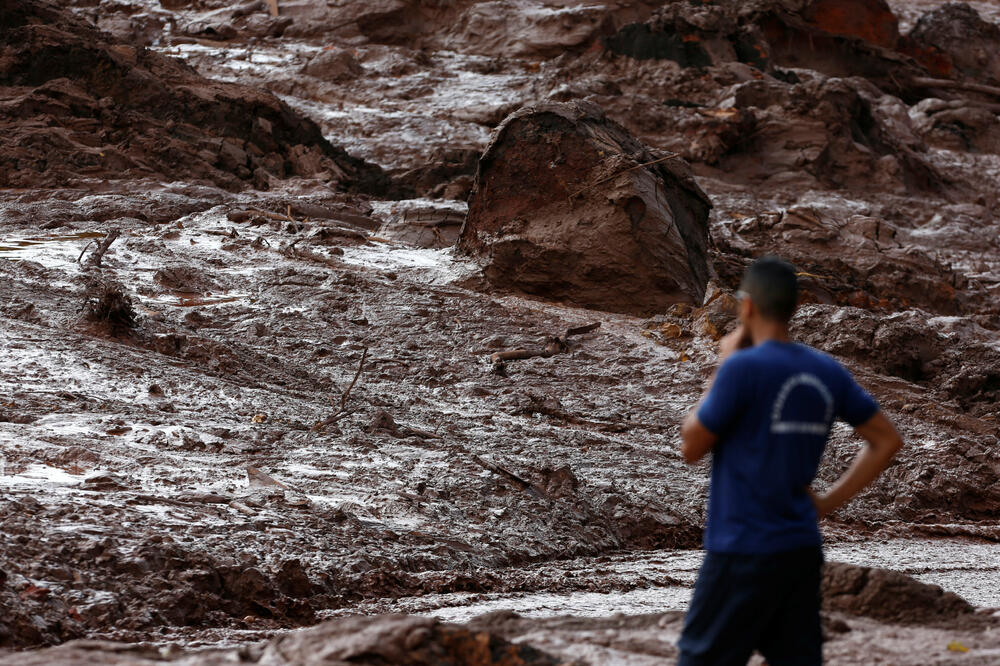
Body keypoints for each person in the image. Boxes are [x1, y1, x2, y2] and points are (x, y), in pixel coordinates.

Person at [676, 256, 904, 665]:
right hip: (799, 549)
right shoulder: (826, 370)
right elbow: (887, 441)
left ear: (746, 307)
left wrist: (723, 366)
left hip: (741, 548)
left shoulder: (741, 367)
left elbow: (691, 446)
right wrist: (826, 503)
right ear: (794, 308)